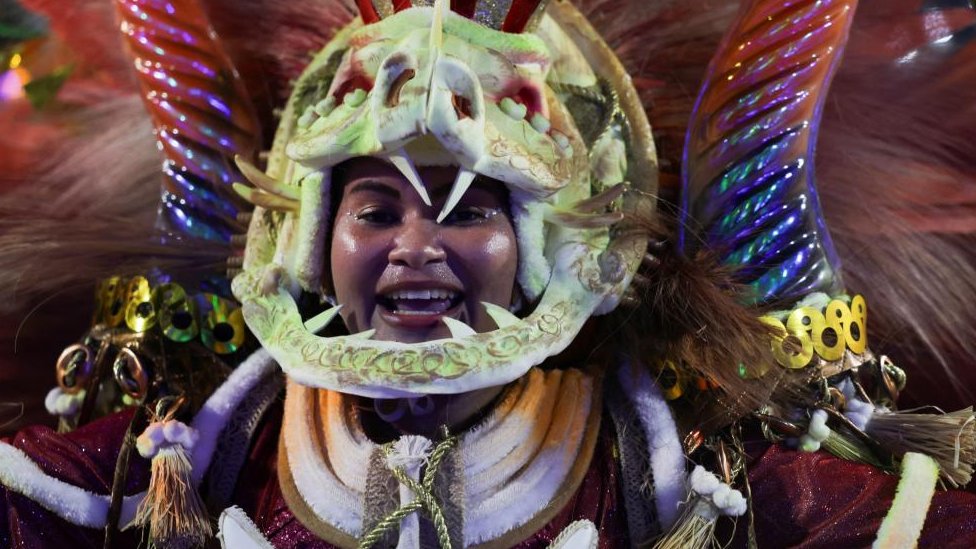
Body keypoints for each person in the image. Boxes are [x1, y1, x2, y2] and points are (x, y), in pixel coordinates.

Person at [2, 0, 976, 547]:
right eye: (375, 209)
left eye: (469, 209)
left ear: (558, 246)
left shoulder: (683, 484)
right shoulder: (171, 465)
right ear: (300, 241)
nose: (415, 245)